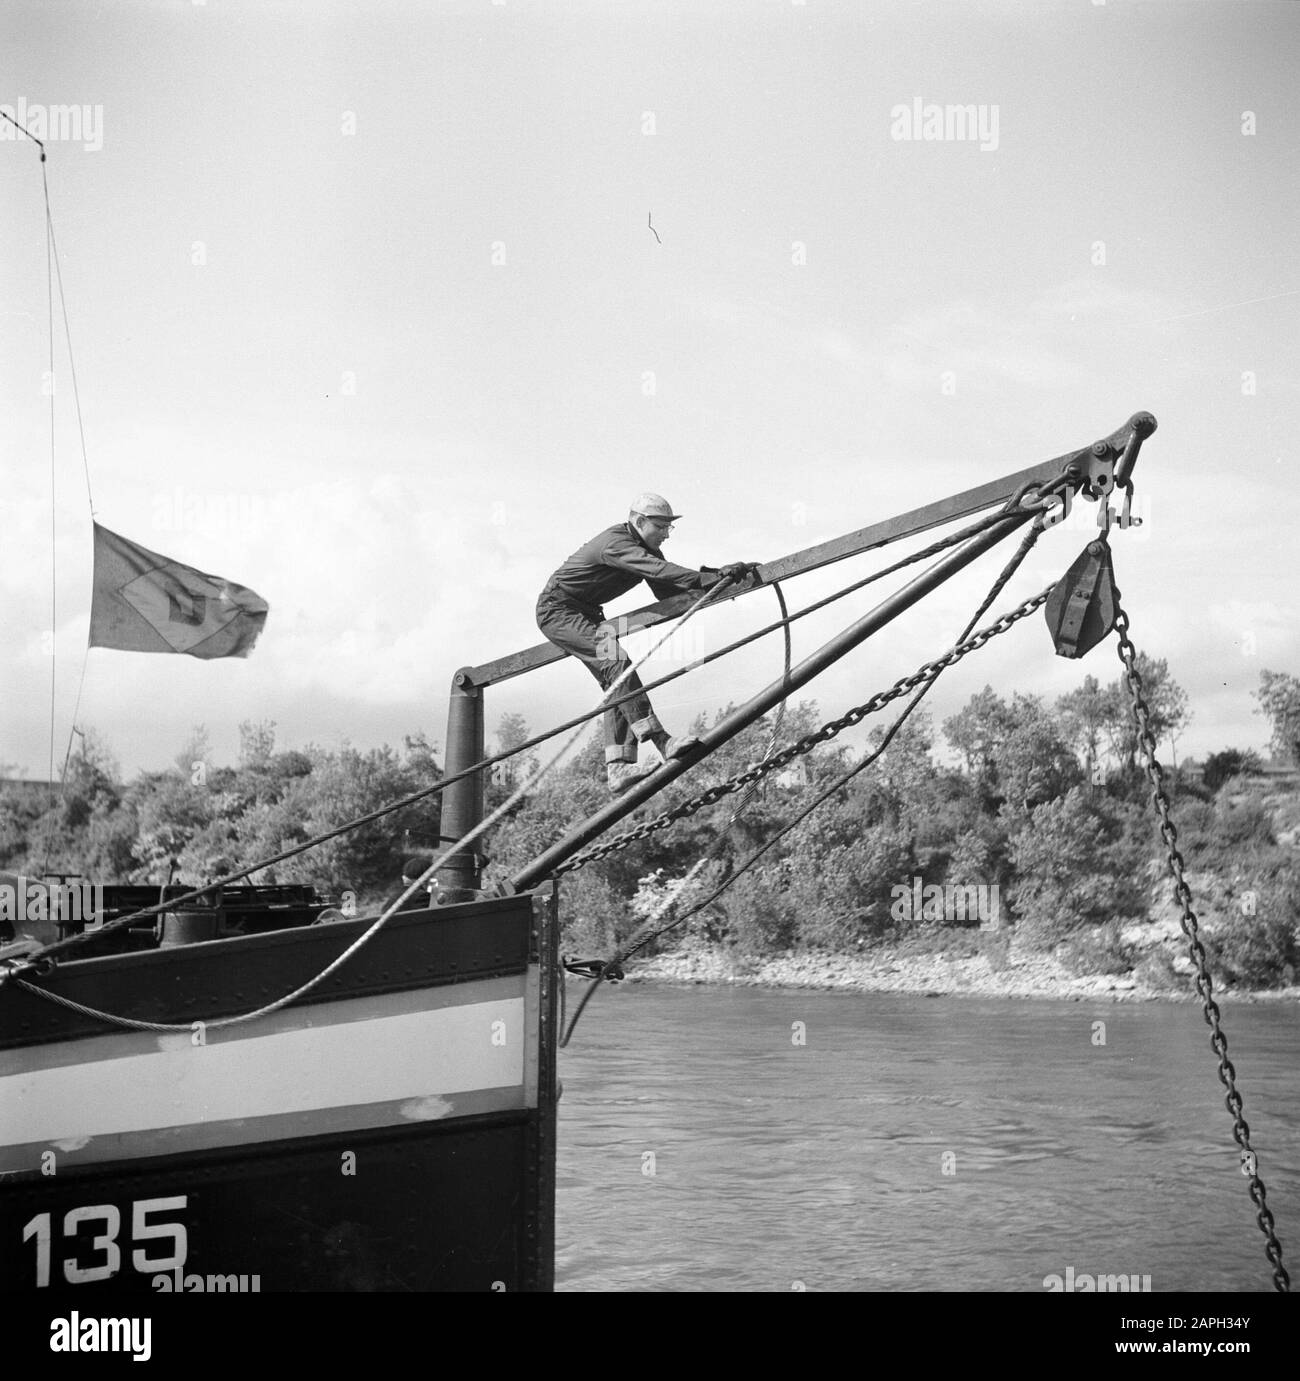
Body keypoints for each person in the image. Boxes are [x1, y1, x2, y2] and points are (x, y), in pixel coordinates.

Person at [536, 493, 758, 794]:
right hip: (558, 611)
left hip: (584, 613)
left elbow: (668, 590)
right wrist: (710, 576)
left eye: (669, 527)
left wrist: (722, 581)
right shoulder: (617, 543)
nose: (666, 534)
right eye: (661, 526)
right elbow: (659, 571)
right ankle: (662, 741)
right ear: (639, 521)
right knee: (615, 661)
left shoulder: (643, 547)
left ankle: (617, 768)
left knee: (616, 681)